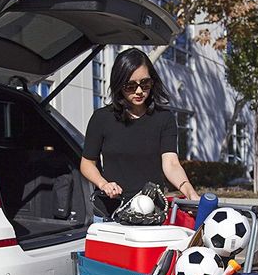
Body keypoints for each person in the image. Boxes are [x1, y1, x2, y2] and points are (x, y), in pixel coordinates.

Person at [80, 48, 199, 208]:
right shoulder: (101, 118)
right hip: (110, 212)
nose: (139, 91)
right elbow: (87, 164)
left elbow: (171, 164)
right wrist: (103, 184)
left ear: (152, 81)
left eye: (145, 83)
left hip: (152, 211)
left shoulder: (164, 118)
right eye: (130, 86)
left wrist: (190, 192)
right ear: (118, 84)